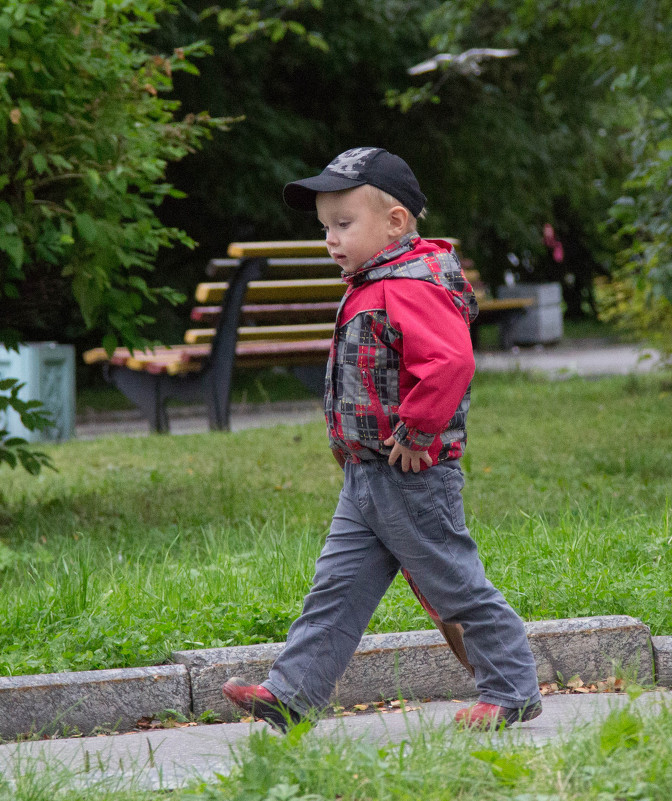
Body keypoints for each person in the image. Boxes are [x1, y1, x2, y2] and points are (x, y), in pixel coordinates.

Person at [221, 147, 542, 731]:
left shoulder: (411, 285)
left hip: (412, 472)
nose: (331, 239)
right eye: (325, 228)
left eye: (344, 224)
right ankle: (292, 695)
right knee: (336, 590)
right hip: (366, 474)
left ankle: (512, 689)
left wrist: (418, 428)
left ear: (395, 223)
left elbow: (449, 363)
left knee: (455, 585)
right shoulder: (373, 281)